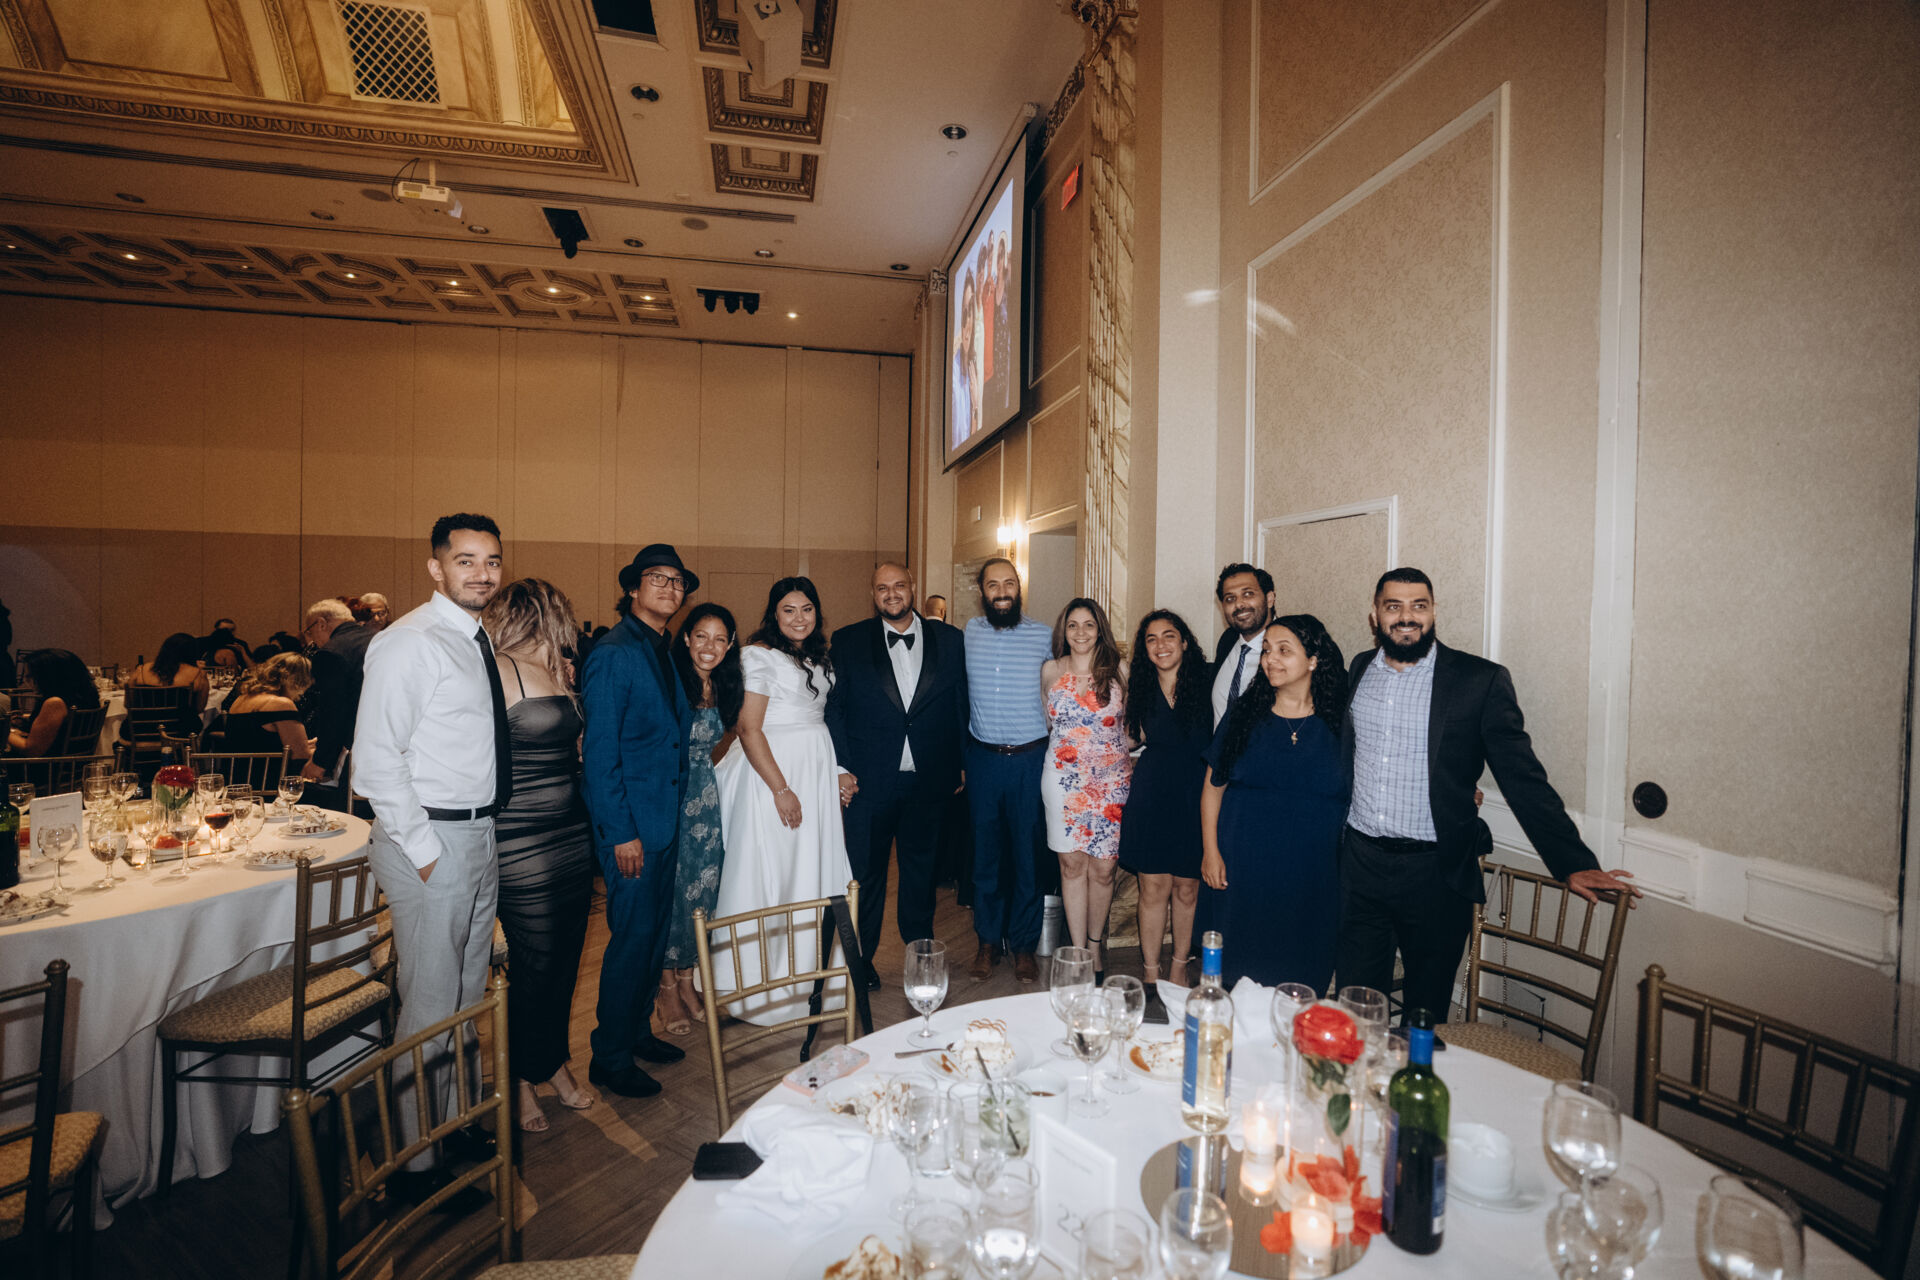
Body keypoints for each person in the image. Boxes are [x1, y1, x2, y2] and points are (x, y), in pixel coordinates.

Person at [1337, 569, 1642, 1021]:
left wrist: (1572, 861)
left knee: (1423, 1016)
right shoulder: (1360, 668)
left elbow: (1523, 776)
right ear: (1375, 615)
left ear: (1433, 612)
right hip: (1360, 865)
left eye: (1419, 605)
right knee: (1356, 1007)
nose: (1406, 617)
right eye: (1393, 606)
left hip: (1436, 873)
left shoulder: (1478, 680)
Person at [354, 513, 510, 1197]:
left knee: (464, 994)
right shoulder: (409, 642)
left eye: (492, 561)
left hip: (475, 832)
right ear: (436, 568)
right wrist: (424, 853)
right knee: (428, 1005)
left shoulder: (473, 637)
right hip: (431, 840)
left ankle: (453, 1124)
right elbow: (376, 761)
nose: (482, 573)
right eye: (466, 560)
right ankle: (414, 1165)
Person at [482, 578, 598, 1132]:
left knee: (566, 959)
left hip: (570, 830)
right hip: (519, 836)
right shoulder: (495, 668)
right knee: (534, 962)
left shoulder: (555, 668)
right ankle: (518, 1077)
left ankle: (552, 1061)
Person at [711, 577, 855, 1025]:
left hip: (814, 768)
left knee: (810, 871)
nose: (799, 618)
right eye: (789, 609)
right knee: (775, 872)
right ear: (774, 614)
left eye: (807, 609)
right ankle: (759, 987)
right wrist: (781, 788)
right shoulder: (758, 655)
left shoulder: (817, 655)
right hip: (772, 774)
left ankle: (810, 980)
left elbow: (821, 720)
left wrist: (834, 771)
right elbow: (748, 728)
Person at [581, 544, 695, 1098]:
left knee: (651, 940)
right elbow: (600, 754)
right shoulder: (614, 652)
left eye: (677, 581)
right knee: (631, 943)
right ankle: (609, 1057)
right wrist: (621, 832)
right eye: (657, 578)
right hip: (632, 832)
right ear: (632, 588)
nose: (670, 588)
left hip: (661, 825)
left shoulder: (660, 647)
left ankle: (636, 1033)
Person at [824, 563, 969, 979]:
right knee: (865, 877)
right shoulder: (848, 641)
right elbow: (835, 709)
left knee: (921, 875)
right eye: (882, 588)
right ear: (873, 594)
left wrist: (959, 763)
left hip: (929, 780)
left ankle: (920, 955)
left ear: (913, 588)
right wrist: (841, 766)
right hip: (868, 782)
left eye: (899, 586)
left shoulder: (951, 639)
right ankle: (861, 962)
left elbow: (960, 704)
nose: (892, 594)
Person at [1200, 616, 1350, 992]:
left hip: (1312, 874)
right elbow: (1213, 788)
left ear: (1313, 660)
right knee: (1239, 974)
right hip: (1243, 867)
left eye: (1284, 650)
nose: (1270, 659)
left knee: (1303, 975)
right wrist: (1210, 852)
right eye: (1267, 650)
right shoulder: (1243, 715)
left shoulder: (1341, 725)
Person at [961, 557, 1054, 983]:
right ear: (982, 591)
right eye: (993, 584)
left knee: (1027, 857)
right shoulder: (969, 633)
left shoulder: (1045, 636)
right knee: (984, 856)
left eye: (1009, 583)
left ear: (1020, 588)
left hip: (1031, 760)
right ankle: (986, 941)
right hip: (982, 759)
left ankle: (1023, 945)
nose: (1002, 592)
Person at [655, 603, 744, 1035]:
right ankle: (666, 987)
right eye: (702, 636)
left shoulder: (725, 684)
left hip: (708, 801)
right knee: (672, 894)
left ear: (730, 645)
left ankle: (689, 980)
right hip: (672, 797)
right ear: (687, 638)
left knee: (703, 891)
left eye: (720, 639)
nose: (710, 646)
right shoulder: (670, 681)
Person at [1117, 610, 1211, 994]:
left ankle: (1179, 967)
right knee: (1153, 887)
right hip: (1153, 793)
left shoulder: (1207, 683)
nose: (1161, 645)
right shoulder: (1139, 687)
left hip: (1196, 794)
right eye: (1151, 639)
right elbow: (1129, 739)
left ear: (1184, 642)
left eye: (1169, 636)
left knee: (1187, 888)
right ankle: (1151, 973)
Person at [1039, 598, 1130, 979]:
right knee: (1071, 864)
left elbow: (1132, 726)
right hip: (1063, 779)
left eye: (1089, 624)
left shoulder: (1120, 670)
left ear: (1100, 629)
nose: (1080, 632)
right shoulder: (1050, 670)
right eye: (1073, 625)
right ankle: (1077, 951)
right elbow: (1051, 724)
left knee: (1104, 869)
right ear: (1064, 630)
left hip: (1111, 782)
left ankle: (1095, 945)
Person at [299, 598, 372, 805]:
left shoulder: (331, 653)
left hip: (358, 746)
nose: (313, 642)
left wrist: (321, 761)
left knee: (344, 810)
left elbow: (333, 711)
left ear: (321, 624)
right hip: (395, 741)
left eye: (310, 632)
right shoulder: (378, 638)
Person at [1211, 563, 1275, 726]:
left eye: (1248, 594)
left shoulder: (1292, 648)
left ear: (1269, 599)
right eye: (1230, 598)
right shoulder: (1227, 640)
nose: (1239, 604)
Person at [222, 653, 317, 763]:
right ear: (297, 681)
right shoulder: (281, 704)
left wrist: (305, 745)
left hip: (236, 771)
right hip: (268, 772)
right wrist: (325, 749)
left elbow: (257, 744)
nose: (303, 692)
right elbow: (300, 755)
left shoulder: (241, 699)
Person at [7, 649, 101, 755]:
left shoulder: (55, 703)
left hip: (50, 763)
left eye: (30, 676)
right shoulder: (83, 696)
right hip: (75, 761)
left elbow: (32, 750)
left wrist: (3, 731)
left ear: (48, 676)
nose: (25, 680)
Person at [123, 632, 210, 736]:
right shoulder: (197, 674)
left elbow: (128, 704)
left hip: (138, 730)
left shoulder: (141, 670)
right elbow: (199, 708)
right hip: (180, 731)